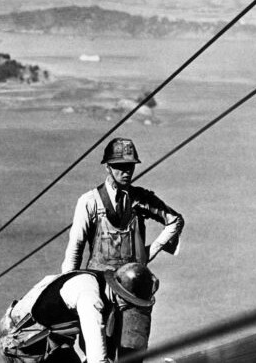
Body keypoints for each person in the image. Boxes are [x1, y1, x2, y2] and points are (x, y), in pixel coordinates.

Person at [61, 137, 184, 359]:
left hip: (133, 288)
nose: (126, 171)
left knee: (134, 351)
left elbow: (174, 221)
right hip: (98, 286)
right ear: (108, 167)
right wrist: (68, 290)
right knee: (99, 351)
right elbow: (75, 248)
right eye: (120, 167)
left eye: (130, 166)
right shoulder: (89, 202)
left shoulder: (141, 200)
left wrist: (150, 251)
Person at [0, 263, 159, 363]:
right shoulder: (90, 299)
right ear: (123, 297)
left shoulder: (102, 282)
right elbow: (96, 350)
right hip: (21, 346)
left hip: (45, 340)